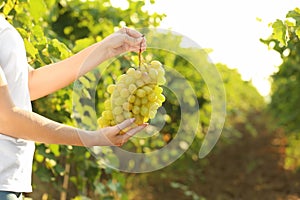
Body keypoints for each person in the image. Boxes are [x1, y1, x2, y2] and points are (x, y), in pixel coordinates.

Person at [0, 16, 147, 200]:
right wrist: (92, 138)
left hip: (9, 181)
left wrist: (107, 48)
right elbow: (5, 118)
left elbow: (27, 84)